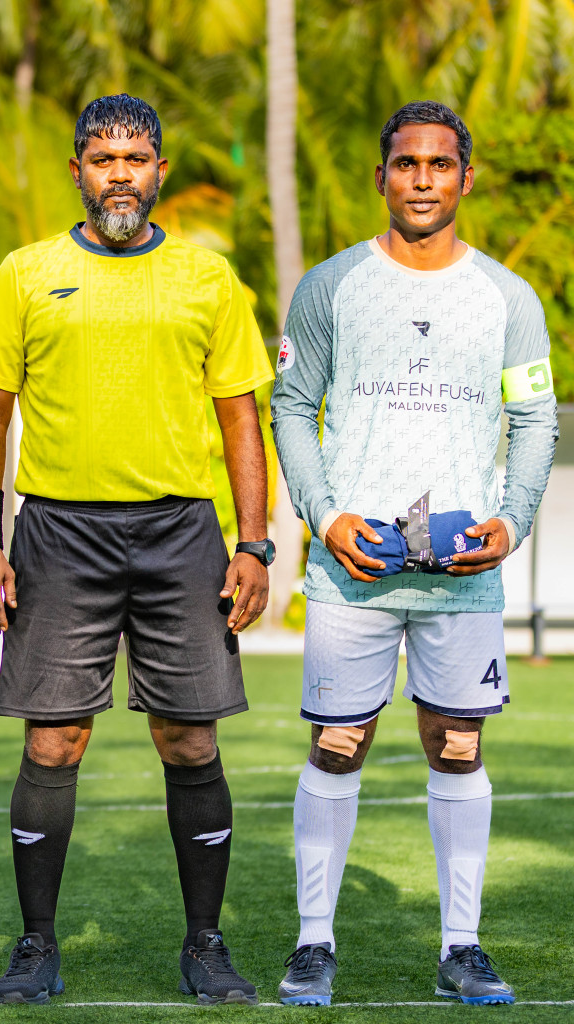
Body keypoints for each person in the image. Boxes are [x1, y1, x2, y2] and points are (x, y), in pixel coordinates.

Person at [0, 94, 274, 1006]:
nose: (120, 175)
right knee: (54, 740)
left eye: (136, 159)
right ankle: (36, 945)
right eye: (103, 160)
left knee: (188, 737)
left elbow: (241, 419)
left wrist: (254, 543)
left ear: (159, 170)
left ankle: (206, 944)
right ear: (78, 171)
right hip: (59, 532)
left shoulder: (207, 277)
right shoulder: (25, 274)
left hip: (181, 532)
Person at [270, 101, 557, 1007]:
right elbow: (292, 407)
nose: (422, 179)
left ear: (465, 178)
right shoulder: (331, 286)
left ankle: (461, 949)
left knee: (458, 746)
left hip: (462, 578)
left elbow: (534, 419)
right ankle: (313, 944)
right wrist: (324, 517)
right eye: (406, 164)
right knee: (338, 744)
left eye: (439, 164)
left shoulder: (508, 297)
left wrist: (511, 522)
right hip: (351, 571)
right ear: (382, 177)